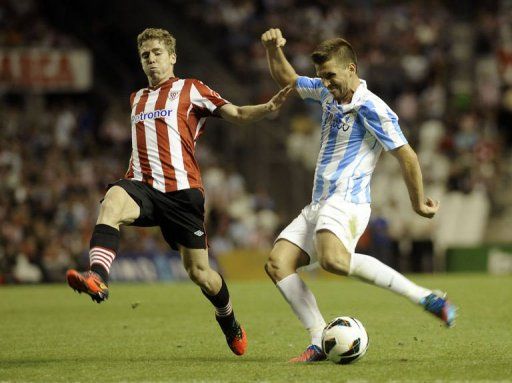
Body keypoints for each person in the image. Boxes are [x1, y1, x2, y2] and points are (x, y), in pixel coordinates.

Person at [66, 27, 292, 357]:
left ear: (172, 57)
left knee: (200, 274)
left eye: (157, 53)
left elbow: (238, 114)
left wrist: (267, 108)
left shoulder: (191, 89)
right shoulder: (137, 99)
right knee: (112, 201)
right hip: (142, 186)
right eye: (145, 55)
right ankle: (98, 277)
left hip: (182, 195)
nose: (151, 59)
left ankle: (229, 320)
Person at [260, 28, 457, 362]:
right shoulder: (326, 92)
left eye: (331, 76)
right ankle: (318, 339)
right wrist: (272, 49)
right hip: (320, 202)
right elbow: (289, 79)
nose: (326, 83)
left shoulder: (372, 108)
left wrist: (417, 201)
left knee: (334, 260)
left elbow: (407, 155)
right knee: (277, 264)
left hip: (347, 200)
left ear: (351, 69)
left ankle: (427, 298)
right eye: (322, 77)